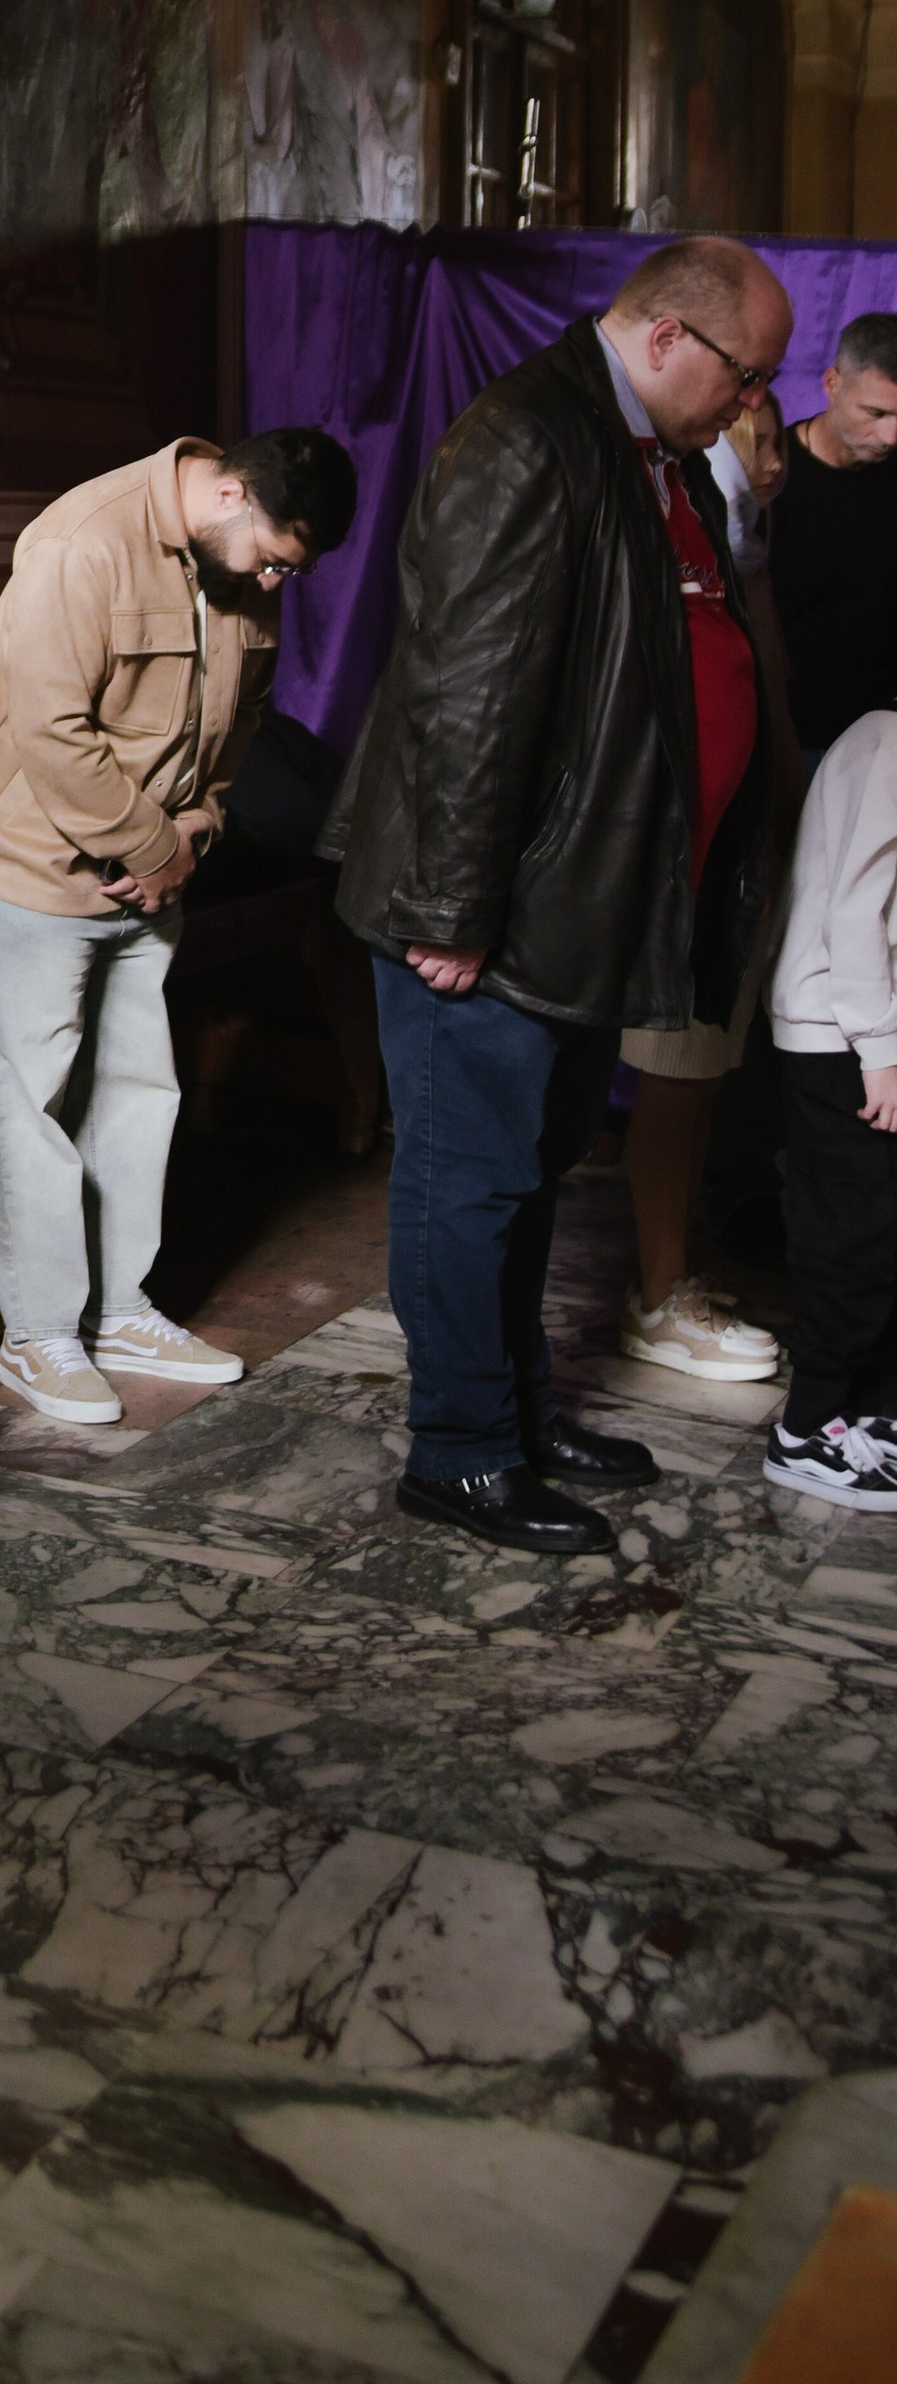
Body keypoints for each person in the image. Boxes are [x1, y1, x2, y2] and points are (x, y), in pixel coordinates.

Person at [335, 238, 788, 1557]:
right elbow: (463, 699)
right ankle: (462, 1452)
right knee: (467, 1181)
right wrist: (450, 910)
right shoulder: (526, 439)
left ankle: (519, 1411)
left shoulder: (646, 447)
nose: (750, 403)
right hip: (490, 913)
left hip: (580, 900)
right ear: (666, 339)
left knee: (533, 1174)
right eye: (745, 373)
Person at [0, 428, 356, 1429]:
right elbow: (48, 727)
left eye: (286, 569)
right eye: (270, 556)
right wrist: (149, 843)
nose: (272, 579)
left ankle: (122, 1309)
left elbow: (242, 722)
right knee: (29, 1100)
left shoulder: (242, 564)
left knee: (138, 1091)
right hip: (33, 864)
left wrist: (199, 824)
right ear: (224, 492)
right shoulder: (82, 541)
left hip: (153, 871)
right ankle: (38, 1332)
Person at [619, 382, 795, 1382]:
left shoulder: (738, 527)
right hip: (678, 854)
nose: (770, 460)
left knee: (701, 1073)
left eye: (776, 441)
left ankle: (666, 1279)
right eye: (753, 438)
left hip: (731, 845)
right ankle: (653, 1295)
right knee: (677, 1074)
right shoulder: (675, 507)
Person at [763, 707, 897, 1506]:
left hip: (864, 1032)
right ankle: (807, 1428)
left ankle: (870, 1415)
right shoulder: (888, 738)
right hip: (840, 1036)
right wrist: (881, 1049)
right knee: (852, 1229)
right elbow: (854, 909)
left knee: (879, 1224)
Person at [766, 313, 897, 768]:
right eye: (875, 413)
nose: (890, 435)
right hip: (786, 736)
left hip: (881, 737)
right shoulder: (769, 476)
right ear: (832, 382)